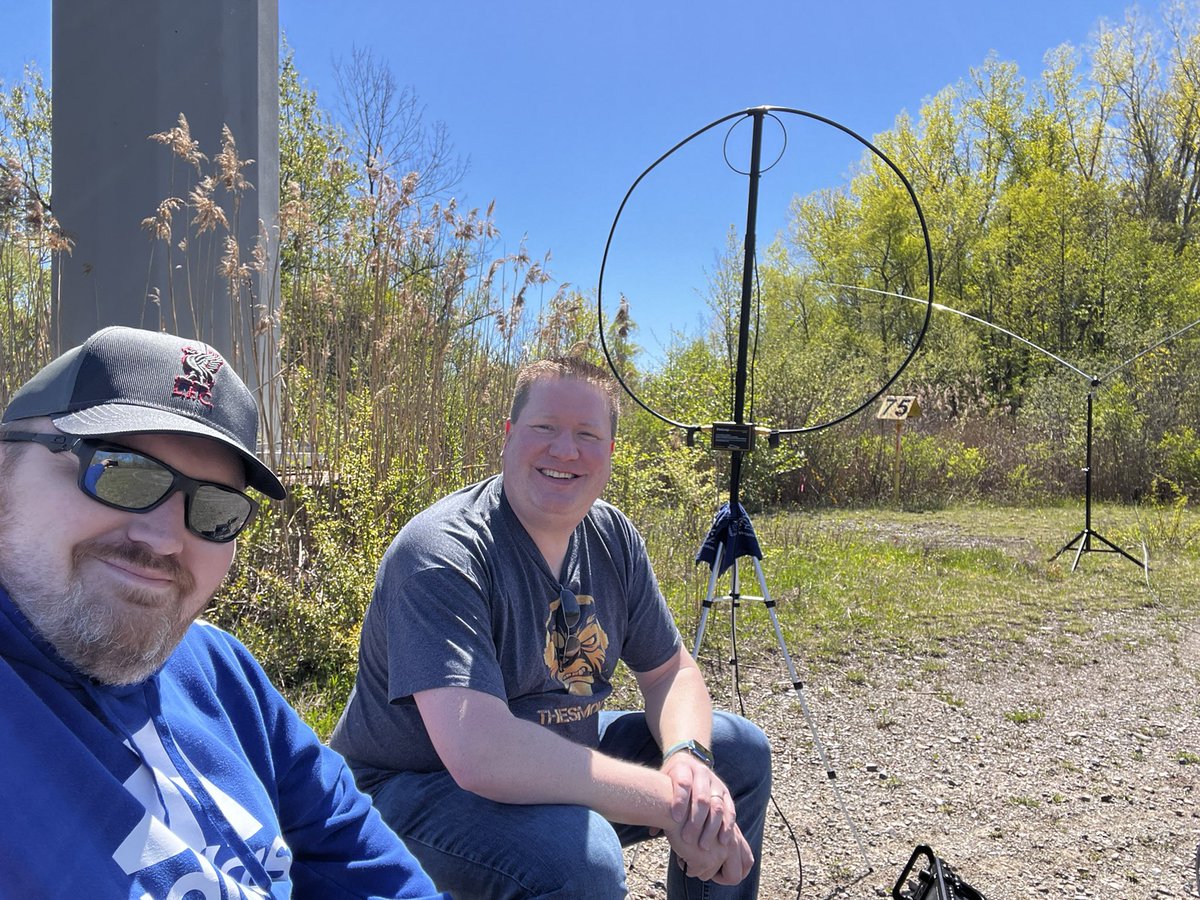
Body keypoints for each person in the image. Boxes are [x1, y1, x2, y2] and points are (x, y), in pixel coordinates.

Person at [0, 325, 446, 899]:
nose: (164, 538)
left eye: (213, 508)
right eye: (120, 472)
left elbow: (364, 862)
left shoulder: (217, 669)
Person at [330, 356, 772, 899]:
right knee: (577, 858)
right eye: (545, 428)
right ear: (509, 436)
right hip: (409, 787)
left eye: (587, 434)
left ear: (610, 453)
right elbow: (481, 753)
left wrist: (688, 762)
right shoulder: (442, 552)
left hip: (552, 746)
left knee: (737, 754)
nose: (565, 450)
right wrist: (673, 800)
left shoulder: (613, 538)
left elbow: (671, 672)